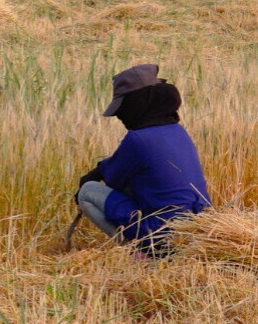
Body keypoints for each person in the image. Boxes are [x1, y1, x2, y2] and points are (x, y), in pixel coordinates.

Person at [76, 64, 210, 258]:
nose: (120, 116)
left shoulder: (137, 139)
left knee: (88, 191)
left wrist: (89, 178)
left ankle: (143, 253)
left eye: (122, 108)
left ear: (135, 104)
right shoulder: (178, 131)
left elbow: (114, 180)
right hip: (199, 229)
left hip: (163, 232)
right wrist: (102, 169)